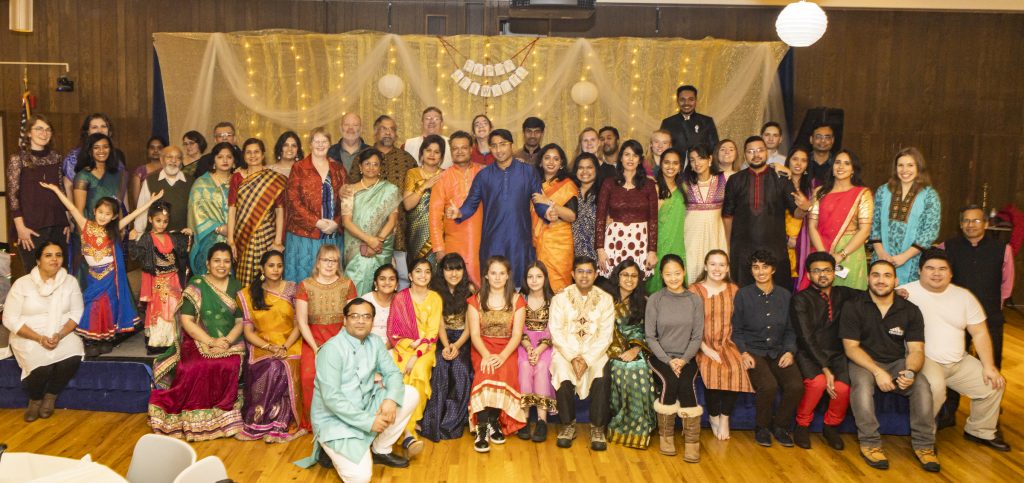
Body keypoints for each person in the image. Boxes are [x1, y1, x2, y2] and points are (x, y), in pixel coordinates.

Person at [297, 298, 420, 481]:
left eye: (366, 317)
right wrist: (368, 421)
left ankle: (380, 449)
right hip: (335, 421)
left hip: (365, 405)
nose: (361, 321)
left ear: (372, 321)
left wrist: (390, 400)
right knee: (361, 478)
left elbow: (393, 373)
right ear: (345, 320)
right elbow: (332, 399)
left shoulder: (375, 342)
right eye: (355, 316)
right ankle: (328, 449)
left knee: (409, 393)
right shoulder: (331, 350)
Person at [902, 249, 1009, 452]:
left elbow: (979, 333)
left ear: (951, 273)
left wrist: (989, 366)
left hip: (959, 361)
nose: (936, 273)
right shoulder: (905, 293)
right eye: (930, 268)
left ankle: (980, 430)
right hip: (925, 360)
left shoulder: (964, 296)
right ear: (920, 271)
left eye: (943, 269)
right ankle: (923, 439)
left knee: (994, 384)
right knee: (935, 389)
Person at [841, 260, 938, 472]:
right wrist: (877, 372)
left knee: (921, 385)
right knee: (863, 387)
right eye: (876, 275)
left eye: (886, 276)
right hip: (864, 361)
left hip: (897, 361)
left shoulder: (910, 310)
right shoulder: (854, 306)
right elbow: (851, 348)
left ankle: (924, 446)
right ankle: (870, 443)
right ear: (868, 279)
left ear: (895, 280)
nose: (881, 280)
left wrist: (910, 371)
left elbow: (916, 350)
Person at [39, 182, 156, 356]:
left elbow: (133, 215)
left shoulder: (114, 229)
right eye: (100, 212)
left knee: (108, 306)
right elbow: (71, 207)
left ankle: (104, 338)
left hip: (110, 275)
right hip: (94, 276)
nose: (103, 216)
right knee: (92, 306)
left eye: (107, 214)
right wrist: (56, 190)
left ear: (114, 217)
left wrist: (150, 202)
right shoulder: (85, 225)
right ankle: (91, 339)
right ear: (94, 211)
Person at [148, 243, 245, 441]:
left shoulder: (237, 286)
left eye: (226, 261)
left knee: (230, 363)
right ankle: (192, 416)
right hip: (198, 338)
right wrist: (210, 340)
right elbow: (186, 321)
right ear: (208, 264)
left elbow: (240, 322)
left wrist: (225, 341)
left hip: (230, 340)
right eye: (217, 261)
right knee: (194, 366)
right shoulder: (197, 284)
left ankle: (223, 417)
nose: (222, 265)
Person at [447, 129, 550, 286]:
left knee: (519, 283)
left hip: (519, 238)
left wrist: (548, 212)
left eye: (503, 144)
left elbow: (539, 201)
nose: (499, 150)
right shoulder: (484, 175)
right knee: (493, 281)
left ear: (511, 145)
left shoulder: (528, 172)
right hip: (493, 239)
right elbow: (471, 203)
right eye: (494, 146)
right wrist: (459, 212)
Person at [3, 242, 83, 422]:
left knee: (73, 356)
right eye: (48, 255)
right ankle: (35, 399)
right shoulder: (22, 284)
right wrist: (39, 338)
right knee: (41, 366)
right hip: (28, 335)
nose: (54, 259)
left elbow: (76, 313)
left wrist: (60, 334)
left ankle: (50, 397)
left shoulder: (70, 282)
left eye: (58, 255)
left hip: (60, 333)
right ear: (38, 260)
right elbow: (10, 318)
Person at [732, 250, 803, 448]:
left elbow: (791, 330)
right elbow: (736, 330)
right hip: (754, 350)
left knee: (796, 386)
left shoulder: (785, 295)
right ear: (751, 271)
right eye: (756, 267)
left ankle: (780, 426)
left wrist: (789, 351)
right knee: (769, 385)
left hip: (779, 351)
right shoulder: (743, 295)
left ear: (773, 269)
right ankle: (761, 427)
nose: (760, 271)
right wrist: (743, 353)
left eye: (765, 266)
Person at [236, 250, 306, 442]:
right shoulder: (248, 294)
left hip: (290, 343)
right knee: (272, 366)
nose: (275, 270)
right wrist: (269, 347)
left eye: (279, 266)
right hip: (261, 346)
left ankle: (280, 423)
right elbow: (249, 332)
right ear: (262, 268)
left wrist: (284, 346)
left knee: (283, 367)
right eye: (271, 265)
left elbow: (299, 324)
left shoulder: (293, 289)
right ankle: (259, 422)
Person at [790, 252, 856, 450]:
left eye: (827, 270)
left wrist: (899, 293)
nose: (822, 275)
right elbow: (805, 337)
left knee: (842, 388)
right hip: (809, 352)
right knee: (817, 383)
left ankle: (831, 427)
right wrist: (825, 367)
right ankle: (802, 425)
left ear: (834, 273)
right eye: (816, 271)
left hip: (836, 353)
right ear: (809, 275)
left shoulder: (845, 294)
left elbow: (874, 294)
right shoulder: (801, 299)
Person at [549, 256, 615, 451]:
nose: (584, 276)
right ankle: (568, 425)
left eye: (588, 272)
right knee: (561, 370)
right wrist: (572, 357)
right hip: (565, 351)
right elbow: (556, 330)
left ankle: (597, 427)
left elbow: (606, 335)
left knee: (601, 373)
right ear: (573, 274)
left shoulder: (605, 299)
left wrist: (586, 359)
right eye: (580, 271)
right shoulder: (560, 298)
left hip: (594, 352)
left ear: (596, 274)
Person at [723, 136, 803, 288]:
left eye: (760, 150)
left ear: (767, 152)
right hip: (742, 249)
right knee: (743, 293)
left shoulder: (781, 178)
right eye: (751, 151)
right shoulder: (735, 180)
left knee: (777, 293)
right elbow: (727, 215)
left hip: (774, 247)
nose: (756, 154)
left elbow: (796, 212)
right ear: (745, 155)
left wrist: (805, 208)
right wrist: (728, 245)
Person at [941, 204, 1015, 368]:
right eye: (966, 221)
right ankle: (953, 395)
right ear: (961, 225)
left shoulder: (1002, 249)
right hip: (956, 314)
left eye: (975, 220)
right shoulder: (947, 247)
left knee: (991, 362)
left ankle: (988, 393)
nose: (970, 225)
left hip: (990, 314)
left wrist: (998, 305)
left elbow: (1007, 283)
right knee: (953, 362)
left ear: (986, 224)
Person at [467, 256, 528, 453]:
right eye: (493, 273)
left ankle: (494, 421)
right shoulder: (475, 300)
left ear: (508, 276)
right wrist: (485, 355)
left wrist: (502, 356)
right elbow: (475, 334)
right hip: (482, 346)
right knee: (486, 372)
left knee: (504, 371)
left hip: (507, 348)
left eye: (502, 273)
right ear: (486, 275)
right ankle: (482, 427)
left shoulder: (517, 301)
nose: (497, 277)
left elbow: (517, 334)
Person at [295, 244, 359, 431]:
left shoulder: (347, 284)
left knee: (343, 377)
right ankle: (313, 424)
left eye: (334, 260)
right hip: (312, 340)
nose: (329, 264)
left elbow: (353, 319)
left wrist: (341, 345)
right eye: (325, 260)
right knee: (309, 376)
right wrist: (316, 348)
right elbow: (302, 322)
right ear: (317, 262)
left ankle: (341, 420)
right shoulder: (305, 285)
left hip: (341, 339)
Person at [645, 255, 703, 460]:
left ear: (684, 272)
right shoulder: (655, 299)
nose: (673, 278)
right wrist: (669, 360)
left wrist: (684, 359)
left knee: (686, 383)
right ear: (661, 275)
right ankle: (666, 436)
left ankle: (692, 441)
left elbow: (697, 336)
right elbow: (650, 336)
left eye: (677, 273)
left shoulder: (694, 299)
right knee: (670, 381)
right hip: (661, 356)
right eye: (668, 274)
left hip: (687, 357)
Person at [690, 250, 751, 441]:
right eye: (713, 264)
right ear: (706, 266)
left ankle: (725, 417)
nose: (717, 269)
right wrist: (704, 348)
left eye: (721, 265)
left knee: (735, 367)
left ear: (727, 268)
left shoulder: (734, 290)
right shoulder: (694, 290)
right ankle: (713, 415)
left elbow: (740, 321)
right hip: (701, 343)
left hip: (727, 341)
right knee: (712, 369)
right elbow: (689, 323)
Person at [386, 258, 442, 455]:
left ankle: (409, 429)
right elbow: (393, 331)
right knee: (398, 373)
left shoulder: (435, 298)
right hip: (404, 347)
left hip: (425, 349)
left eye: (427, 272)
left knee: (418, 370)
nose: (423, 275)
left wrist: (416, 354)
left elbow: (432, 332)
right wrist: (409, 345)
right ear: (410, 275)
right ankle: (397, 426)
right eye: (418, 271)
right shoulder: (400, 298)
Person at [419, 254, 475, 442]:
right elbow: (439, 323)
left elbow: (470, 327)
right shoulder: (435, 292)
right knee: (441, 367)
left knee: (460, 368)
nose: (454, 273)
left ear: (463, 271)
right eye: (449, 269)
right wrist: (445, 346)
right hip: (441, 338)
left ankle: (451, 424)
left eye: (458, 268)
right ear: (442, 271)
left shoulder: (470, 290)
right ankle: (432, 423)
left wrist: (457, 346)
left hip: (464, 338)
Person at [126, 202, 191, 354]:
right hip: (158, 280)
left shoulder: (173, 237)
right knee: (160, 311)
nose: (162, 225)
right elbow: (136, 256)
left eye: (165, 221)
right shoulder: (147, 239)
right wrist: (131, 240)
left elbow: (182, 254)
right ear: (150, 219)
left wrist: (188, 235)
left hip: (174, 278)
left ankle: (172, 340)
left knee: (175, 308)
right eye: (158, 220)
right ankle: (158, 341)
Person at [284, 127, 347, 283]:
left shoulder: (338, 169)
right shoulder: (299, 168)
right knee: (305, 280)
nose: (320, 145)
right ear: (310, 144)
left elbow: (346, 200)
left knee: (331, 279)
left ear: (330, 144)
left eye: (324, 141)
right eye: (316, 141)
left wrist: (337, 222)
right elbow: (292, 201)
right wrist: (316, 222)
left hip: (332, 235)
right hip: (304, 236)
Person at [870, 147, 941, 284]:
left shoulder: (929, 195)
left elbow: (930, 231)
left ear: (918, 167)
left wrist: (904, 257)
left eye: (910, 165)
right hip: (881, 258)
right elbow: (874, 224)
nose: (904, 170)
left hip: (912, 260)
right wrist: (881, 253)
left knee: (906, 301)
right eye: (900, 165)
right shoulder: (883, 190)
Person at [8, 115, 70, 271]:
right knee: (34, 274)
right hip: (30, 227)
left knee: (60, 273)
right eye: (39, 129)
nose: (44, 133)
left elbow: (61, 190)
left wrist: (67, 220)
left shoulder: (56, 157)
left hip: (58, 225)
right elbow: (13, 196)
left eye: (48, 129)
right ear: (29, 133)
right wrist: (20, 228)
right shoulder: (18, 159)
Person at [806, 149, 873, 290]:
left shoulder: (862, 194)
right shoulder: (820, 192)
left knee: (848, 299)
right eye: (837, 162)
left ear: (853, 169)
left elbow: (865, 230)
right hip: (821, 248)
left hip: (850, 252)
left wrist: (841, 254)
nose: (841, 167)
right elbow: (812, 226)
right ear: (832, 167)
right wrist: (824, 255)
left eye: (847, 163)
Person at [227, 138, 287, 287]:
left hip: (267, 234)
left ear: (263, 155)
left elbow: (280, 211)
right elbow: (232, 209)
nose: (252, 156)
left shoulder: (275, 180)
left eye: (256, 152)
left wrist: (278, 240)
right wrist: (230, 240)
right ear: (244, 155)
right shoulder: (237, 177)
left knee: (268, 276)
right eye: (248, 152)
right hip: (242, 235)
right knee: (244, 278)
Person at [342, 149, 401, 294]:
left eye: (375, 164)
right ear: (360, 167)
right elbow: (346, 222)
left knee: (381, 286)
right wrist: (369, 240)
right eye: (367, 164)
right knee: (356, 286)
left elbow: (392, 220)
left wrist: (377, 242)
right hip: (357, 247)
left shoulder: (390, 189)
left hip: (381, 248)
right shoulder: (349, 190)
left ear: (380, 168)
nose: (371, 168)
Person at [596, 140, 658, 278]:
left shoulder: (648, 185)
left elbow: (653, 220)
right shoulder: (609, 183)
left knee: (637, 282)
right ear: (621, 158)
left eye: (635, 155)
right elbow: (600, 218)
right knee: (613, 281)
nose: (630, 159)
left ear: (640, 160)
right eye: (627, 154)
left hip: (640, 239)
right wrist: (600, 249)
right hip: (614, 239)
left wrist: (652, 251)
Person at [429, 131, 484, 285]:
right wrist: (439, 248)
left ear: (471, 149)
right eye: (455, 148)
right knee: (456, 284)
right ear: (450, 151)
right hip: (454, 240)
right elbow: (435, 217)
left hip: (483, 240)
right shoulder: (443, 178)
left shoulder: (484, 172)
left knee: (481, 283)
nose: (459, 151)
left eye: (464, 147)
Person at [372, 115, 419, 289]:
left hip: (401, 228)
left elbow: (416, 191)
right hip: (370, 230)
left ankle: (402, 313)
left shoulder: (407, 159)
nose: (388, 133)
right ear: (375, 132)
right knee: (372, 275)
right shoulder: (365, 157)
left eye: (392, 129)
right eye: (384, 128)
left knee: (402, 277)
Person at [516, 262, 557, 442]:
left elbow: (553, 329)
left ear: (545, 278)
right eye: (530, 277)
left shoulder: (553, 300)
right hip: (523, 343)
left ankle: (542, 420)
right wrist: (528, 347)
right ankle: (523, 418)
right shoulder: (519, 299)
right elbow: (518, 328)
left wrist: (539, 349)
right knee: (524, 365)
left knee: (542, 366)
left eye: (539, 276)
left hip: (546, 345)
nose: (534, 280)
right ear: (525, 279)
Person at [531, 144, 578, 292]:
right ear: (540, 162)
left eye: (556, 159)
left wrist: (548, 201)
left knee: (559, 287)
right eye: (547, 158)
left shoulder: (568, 185)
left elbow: (571, 215)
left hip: (560, 244)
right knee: (539, 282)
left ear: (562, 163)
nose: (551, 162)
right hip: (536, 242)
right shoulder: (534, 184)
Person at [682, 144, 728, 284]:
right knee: (692, 271)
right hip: (691, 237)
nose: (697, 163)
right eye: (692, 160)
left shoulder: (724, 179)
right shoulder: (684, 183)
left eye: (700, 158)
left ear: (709, 159)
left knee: (715, 272)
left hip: (715, 235)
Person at [188, 142, 234, 277]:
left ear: (234, 160)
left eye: (229, 157)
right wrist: (219, 228)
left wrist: (232, 230)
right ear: (213, 160)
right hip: (210, 237)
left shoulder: (240, 182)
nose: (225, 160)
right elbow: (197, 213)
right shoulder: (201, 183)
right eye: (220, 157)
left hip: (237, 238)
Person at [403, 135, 445, 267]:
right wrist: (424, 186)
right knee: (418, 269)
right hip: (416, 232)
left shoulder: (446, 175)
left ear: (442, 156)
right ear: (422, 153)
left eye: (436, 152)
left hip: (440, 234)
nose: (432, 154)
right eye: (428, 150)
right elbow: (408, 205)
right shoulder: (412, 173)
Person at [648, 148, 686, 293]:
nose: (671, 167)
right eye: (667, 163)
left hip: (678, 243)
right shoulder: (655, 188)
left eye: (675, 163)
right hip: (659, 244)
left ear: (680, 166)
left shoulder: (683, 188)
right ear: (660, 164)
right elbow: (650, 220)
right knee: (657, 284)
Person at [134, 146, 193, 234]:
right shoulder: (150, 180)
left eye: (178, 158)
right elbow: (142, 208)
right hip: (156, 239)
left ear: (181, 162)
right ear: (161, 160)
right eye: (169, 157)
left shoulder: (191, 181)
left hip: (183, 237)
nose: (174, 161)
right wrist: (138, 232)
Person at [660, 85, 719, 155]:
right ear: (677, 101)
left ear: (696, 100)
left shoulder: (706, 122)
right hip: (674, 165)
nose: (686, 103)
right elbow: (662, 148)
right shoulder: (668, 123)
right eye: (682, 99)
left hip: (699, 165)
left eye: (691, 99)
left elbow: (715, 148)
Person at [785, 146, 814, 285]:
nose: (798, 164)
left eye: (803, 160)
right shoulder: (780, 182)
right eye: (795, 159)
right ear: (788, 161)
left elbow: (815, 212)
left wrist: (808, 206)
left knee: (802, 271)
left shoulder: (812, 187)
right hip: (781, 235)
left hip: (805, 235)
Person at [571, 153, 601, 261]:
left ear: (596, 170)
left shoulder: (603, 193)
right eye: (580, 168)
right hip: (572, 257)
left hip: (598, 257)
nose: (584, 172)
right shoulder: (570, 192)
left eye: (589, 167)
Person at [129, 136, 166, 211]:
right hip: (145, 212)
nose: (155, 150)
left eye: (159, 148)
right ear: (148, 150)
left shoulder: (169, 170)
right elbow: (137, 201)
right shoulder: (140, 171)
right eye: (152, 148)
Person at [367, 264, 399, 342]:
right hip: (368, 345)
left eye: (391, 279)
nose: (387, 282)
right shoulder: (366, 301)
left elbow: (403, 331)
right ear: (375, 283)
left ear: (397, 284)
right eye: (382, 279)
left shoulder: (402, 302)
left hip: (394, 346)